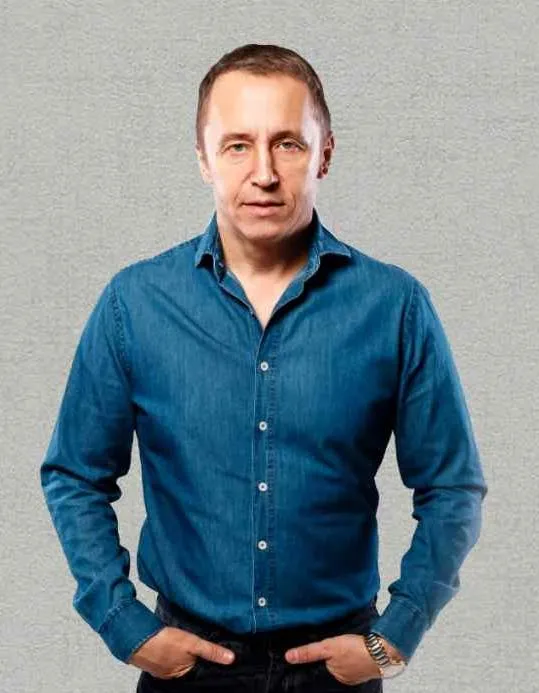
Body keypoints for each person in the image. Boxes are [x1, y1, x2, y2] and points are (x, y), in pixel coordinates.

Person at [40, 43, 488, 692]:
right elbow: (75, 474)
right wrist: (123, 624)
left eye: (288, 144)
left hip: (335, 672)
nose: (264, 173)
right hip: (188, 670)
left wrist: (396, 636)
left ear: (324, 153)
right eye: (237, 146)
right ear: (203, 158)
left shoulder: (394, 306)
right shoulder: (134, 303)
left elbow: (451, 487)